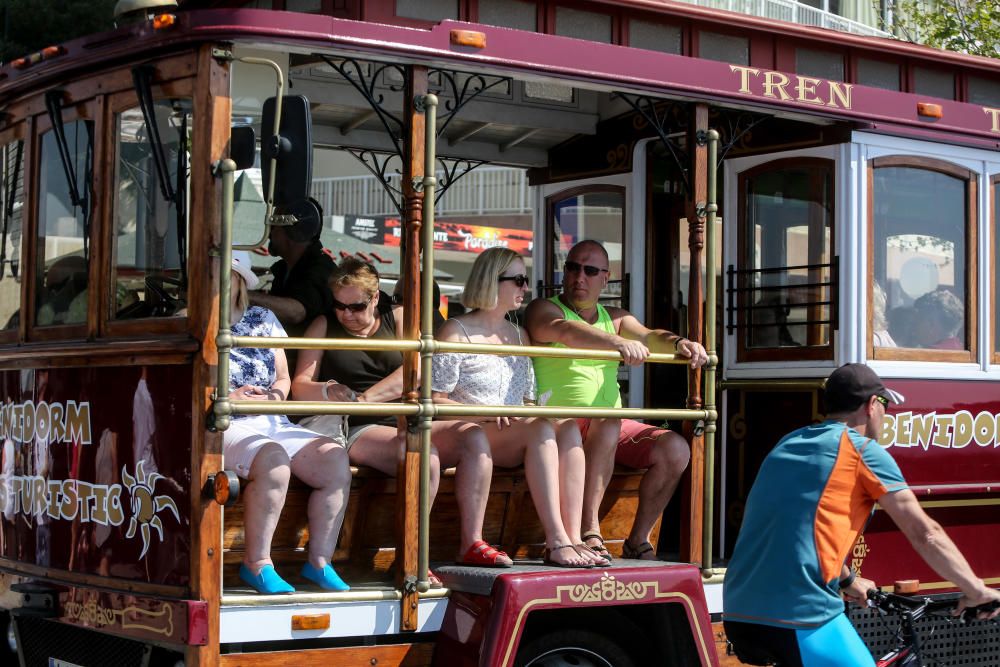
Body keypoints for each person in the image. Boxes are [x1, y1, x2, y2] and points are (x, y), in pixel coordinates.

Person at [723, 363, 1000, 666]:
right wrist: (975, 590)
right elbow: (925, 533)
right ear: (871, 406)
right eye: (886, 405)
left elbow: (798, 527)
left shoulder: (789, 441)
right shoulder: (862, 451)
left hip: (738, 610)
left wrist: (846, 580)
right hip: (798, 612)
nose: (887, 414)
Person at [291, 258, 500, 575]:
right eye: (339, 305)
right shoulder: (322, 325)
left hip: (402, 419)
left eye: (357, 306)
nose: (347, 314)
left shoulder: (399, 318)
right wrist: (327, 390)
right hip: (354, 426)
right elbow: (299, 386)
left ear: (375, 298)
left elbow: (415, 369)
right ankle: (410, 556)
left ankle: (471, 541)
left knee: (472, 435)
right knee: (422, 455)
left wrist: (366, 397)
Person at [524, 240, 708, 561]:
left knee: (675, 449)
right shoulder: (544, 307)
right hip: (553, 424)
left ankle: (637, 539)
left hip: (604, 426)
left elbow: (650, 336)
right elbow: (564, 330)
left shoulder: (617, 318)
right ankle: (590, 529)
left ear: (605, 279)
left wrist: (682, 343)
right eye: (572, 267)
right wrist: (616, 342)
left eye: (590, 270)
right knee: (608, 419)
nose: (579, 277)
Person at [432, 248, 604, 568]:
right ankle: (555, 541)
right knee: (541, 426)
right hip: (468, 431)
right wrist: (480, 413)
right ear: (491, 281)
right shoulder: (455, 330)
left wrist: (534, 409)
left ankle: (574, 537)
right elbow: (433, 400)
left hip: (508, 430)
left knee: (565, 424)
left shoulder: (519, 334)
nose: (526, 288)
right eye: (519, 280)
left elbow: (526, 398)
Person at [225, 250, 351, 594]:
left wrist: (274, 398)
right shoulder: (190, 318)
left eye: (227, 276)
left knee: (334, 458)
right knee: (275, 461)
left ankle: (320, 563)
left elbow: (283, 377)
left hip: (270, 417)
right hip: (222, 420)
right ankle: (257, 564)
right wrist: (227, 399)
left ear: (240, 283)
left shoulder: (263, 317)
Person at [250, 198, 336, 340]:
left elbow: (295, 312)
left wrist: (244, 296)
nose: (269, 234)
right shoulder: (283, 269)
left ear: (293, 230)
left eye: (273, 226)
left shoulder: (320, 269)